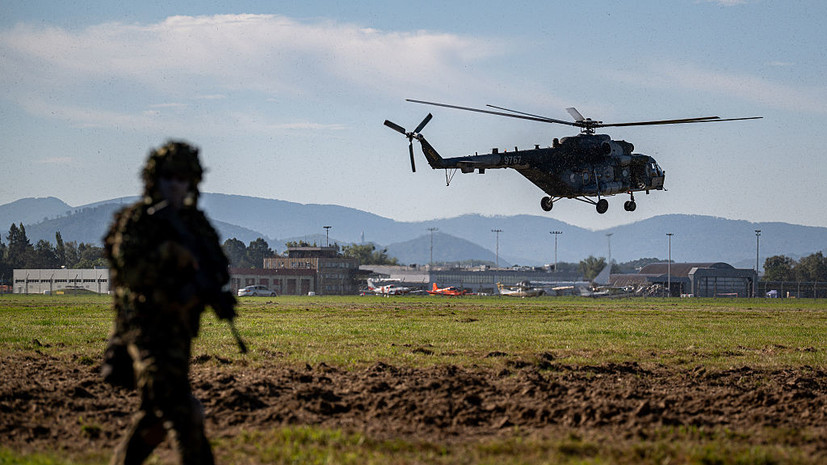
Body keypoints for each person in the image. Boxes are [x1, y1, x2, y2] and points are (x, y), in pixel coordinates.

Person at [103, 141, 237, 465]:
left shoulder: (196, 225)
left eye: (183, 178)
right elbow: (128, 272)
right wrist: (169, 255)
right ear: (154, 179)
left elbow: (217, 267)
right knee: (181, 412)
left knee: (153, 419)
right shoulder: (138, 221)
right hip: (144, 331)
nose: (176, 184)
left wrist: (212, 290)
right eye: (168, 177)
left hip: (178, 332)